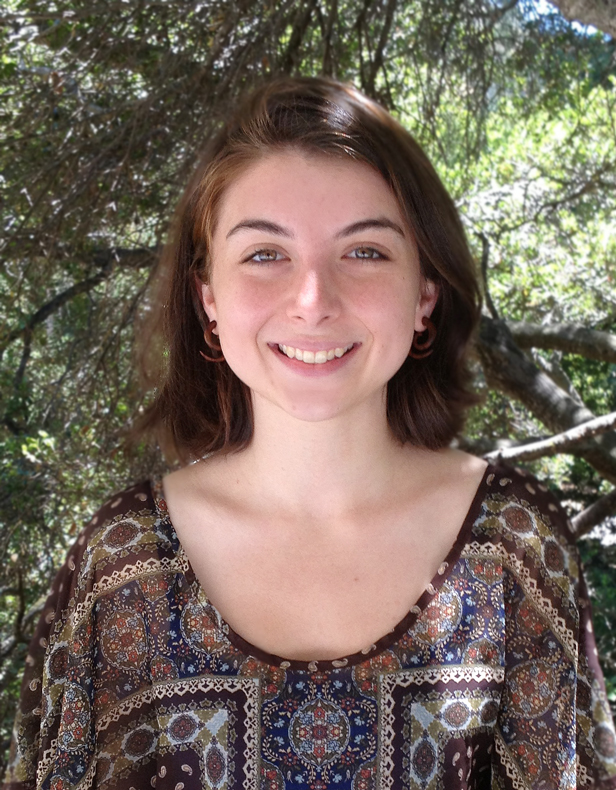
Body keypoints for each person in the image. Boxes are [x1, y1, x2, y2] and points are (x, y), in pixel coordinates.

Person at [3, 77, 616, 790]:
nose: (313, 299)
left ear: (425, 293)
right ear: (208, 298)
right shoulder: (118, 568)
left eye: (365, 252)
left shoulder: (515, 546)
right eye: (265, 254)